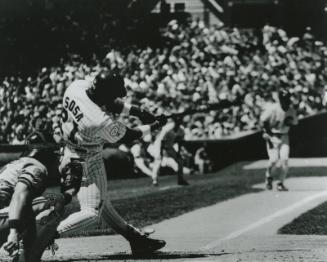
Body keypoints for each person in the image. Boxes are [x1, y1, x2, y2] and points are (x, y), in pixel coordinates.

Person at [57, 70, 166, 254]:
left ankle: (136, 240)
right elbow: (129, 135)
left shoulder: (76, 87)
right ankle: (44, 234)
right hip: (87, 159)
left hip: (69, 152)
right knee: (92, 212)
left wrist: (138, 111)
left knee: (102, 202)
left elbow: (107, 101)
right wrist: (154, 126)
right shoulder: (98, 120)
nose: (117, 97)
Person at [0, 130, 82, 261]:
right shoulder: (36, 167)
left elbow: (22, 206)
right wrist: (14, 232)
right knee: (55, 202)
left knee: (27, 210)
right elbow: (20, 195)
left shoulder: (15, 165)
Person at [260, 90, 298, 191]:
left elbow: (295, 122)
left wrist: (289, 122)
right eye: (284, 99)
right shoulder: (273, 108)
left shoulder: (291, 110)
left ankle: (280, 183)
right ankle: (268, 177)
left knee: (284, 160)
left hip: (284, 135)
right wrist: (267, 133)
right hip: (273, 135)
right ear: (281, 99)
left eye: (287, 99)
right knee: (273, 160)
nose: (286, 101)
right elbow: (263, 120)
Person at [160, 118, 189, 186]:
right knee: (159, 163)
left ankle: (180, 179)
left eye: (179, 121)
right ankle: (155, 180)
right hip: (165, 148)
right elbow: (162, 141)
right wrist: (161, 152)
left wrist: (178, 151)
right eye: (177, 121)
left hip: (172, 148)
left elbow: (180, 142)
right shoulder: (169, 130)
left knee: (180, 162)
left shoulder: (181, 130)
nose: (178, 123)